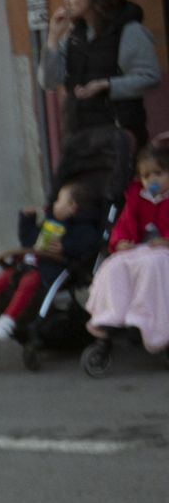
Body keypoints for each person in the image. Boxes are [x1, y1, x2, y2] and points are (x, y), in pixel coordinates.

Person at [0, 181, 100, 341]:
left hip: (49, 269)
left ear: (72, 207)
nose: (54, 204)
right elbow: (29, 241)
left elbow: (88, 245)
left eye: (59, 200)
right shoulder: (50, 222)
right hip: (27, 265)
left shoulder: (83, 229)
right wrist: (27, 220)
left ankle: (8, 321)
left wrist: (64, 246)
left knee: (27, 283)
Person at [41, 0, 161, 142]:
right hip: (80, 138)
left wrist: (107, 85)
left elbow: (151, 77)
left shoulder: (129, 31)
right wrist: (53, 38)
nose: (67, 1)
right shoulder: (75, 36)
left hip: (119, 136)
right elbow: (49, 81)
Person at [84, 141, 169, 352]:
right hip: (141, 249)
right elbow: (124, 224)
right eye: (146, 176)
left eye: (158, 174)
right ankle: (111, 314)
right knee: (114, 265)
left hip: (163, 252)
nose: (152, 181)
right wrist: (120, 242)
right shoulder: (137, 198)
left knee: (152, 265)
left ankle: (144, 318)